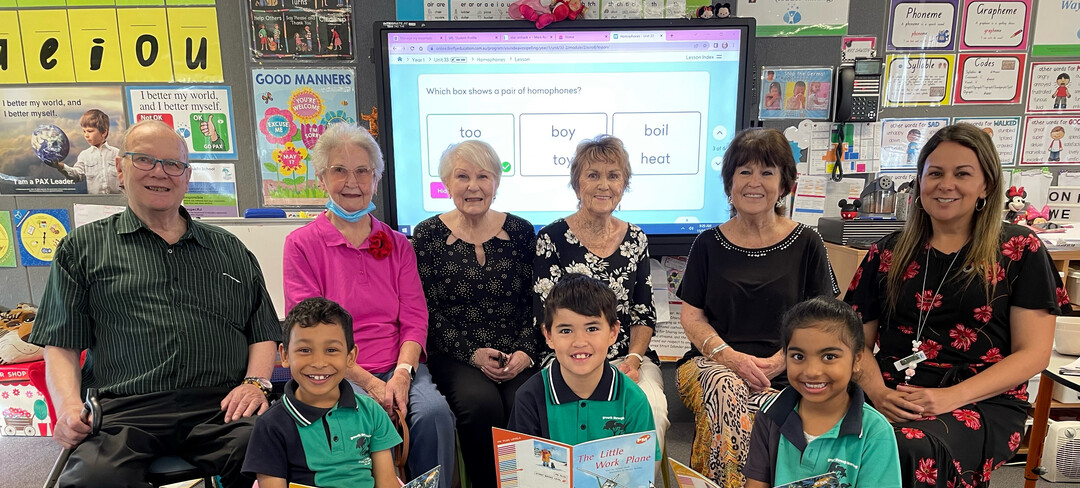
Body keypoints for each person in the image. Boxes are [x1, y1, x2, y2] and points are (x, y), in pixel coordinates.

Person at [28, 119, 280, 488]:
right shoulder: (81, 249)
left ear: (187, 176)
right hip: (124, 411)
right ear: (120, 168)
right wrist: (68, 407)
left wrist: (255, 384)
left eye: (173, 164)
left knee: (277, 452)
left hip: (221, 406)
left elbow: (262, 331)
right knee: (92, 479)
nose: (160, 173)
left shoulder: (230, 250)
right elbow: (60, 342)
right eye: (145, 160)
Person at [844, 123, 1070, 487]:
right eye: (935, 173)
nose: (946, 184)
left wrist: (949, 398)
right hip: (890, 390)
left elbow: (1034, 354)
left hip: (979, 398)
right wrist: (878, 393)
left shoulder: (1019, 249)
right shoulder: (888, 252)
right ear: (919, 182)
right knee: (808, 422)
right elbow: (854, 341)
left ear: (987, 185)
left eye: (962, 174)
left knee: (905, 447)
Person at [283, 123, 455, 488]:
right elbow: (312, 332)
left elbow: (415, 318)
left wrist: (402, 374)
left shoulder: (398, 244)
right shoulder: (301, 245)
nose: (352, 182)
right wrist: (369, 383)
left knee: (435, 414)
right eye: (339, 170)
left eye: (363, 171)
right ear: (321, 178)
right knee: (357, 421)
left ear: (376, 180)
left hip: (398, 366)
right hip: (336, 370)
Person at [675, 127, 838, 487]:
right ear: (729, 182)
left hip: (789, 369)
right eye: (744, 171)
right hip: (712, 365)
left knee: (752, 408)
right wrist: (731, 359)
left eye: (767, 172)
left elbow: (825, 322)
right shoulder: (707, 244)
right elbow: (692, 317)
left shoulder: (807, 242)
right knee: (725, 388)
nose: (754, 182)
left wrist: (782, 361)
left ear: (784, 184)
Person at [533, 134, 669, 453]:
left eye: (613, 175)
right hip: (569, 356)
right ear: (577, 183)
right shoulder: (551, 239)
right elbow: (546, 317)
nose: (604, 185)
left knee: (653, 408)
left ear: (624, 184)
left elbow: (643, 313)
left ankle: (638, 477)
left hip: (627, 358)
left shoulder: (636, 238)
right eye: (593, 175)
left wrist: (633, 359)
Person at [413, 140, 537, 488]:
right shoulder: (428, 235)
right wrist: (472, 354)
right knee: (481, 405)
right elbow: (427, 309)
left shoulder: (522, 232)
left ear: (496, 182)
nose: (473, 186)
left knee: (525, 400)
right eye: (462, 176)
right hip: (457, 354)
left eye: (483, 176)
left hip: (516, 350)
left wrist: (525, 352)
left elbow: (536, 301)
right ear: (447, 183)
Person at [744, 296, 902, 488]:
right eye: (798, 356)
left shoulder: (875, 431)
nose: (812, 372)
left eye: (829, 356)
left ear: (857, 360)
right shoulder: (770, 415)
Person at [243, 297, 401, 488]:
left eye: (331, 350)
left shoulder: (372, 412)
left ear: (350, 357)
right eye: (305, 350)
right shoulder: (270, 425)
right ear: (285, 355)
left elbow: (387, 482)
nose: (318, 363)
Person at [508, 274, 661, 462]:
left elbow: (640, 470)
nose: (579, 342)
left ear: (613, 332)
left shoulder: (633, 400)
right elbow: (521, 469)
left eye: (592, 329)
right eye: (566, 331)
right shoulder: (529, 397)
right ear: (548, 336)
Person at [56, 109, 121, 194]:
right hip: (95, 201)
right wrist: (61, 167)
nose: (86, 135)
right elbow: (76, 175)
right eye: (84, 131)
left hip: (117, 200)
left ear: (104, 132)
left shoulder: (117, 153)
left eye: (90, 131)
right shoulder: (84, 155)